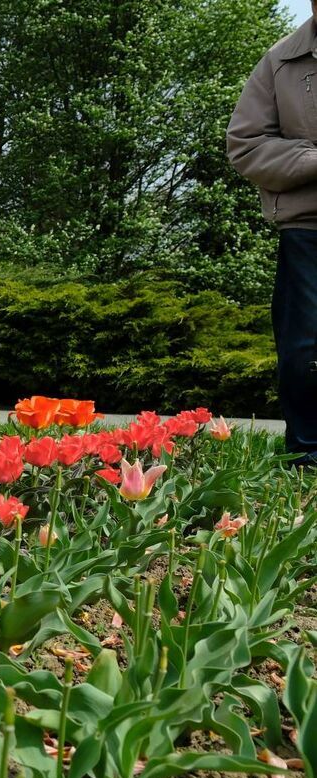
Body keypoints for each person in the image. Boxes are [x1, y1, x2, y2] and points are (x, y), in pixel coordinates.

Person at [228, 7, 317, 466]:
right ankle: (307, 453)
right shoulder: (281, 61)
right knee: (305, 346)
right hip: (308, 226)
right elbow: (246, 144)